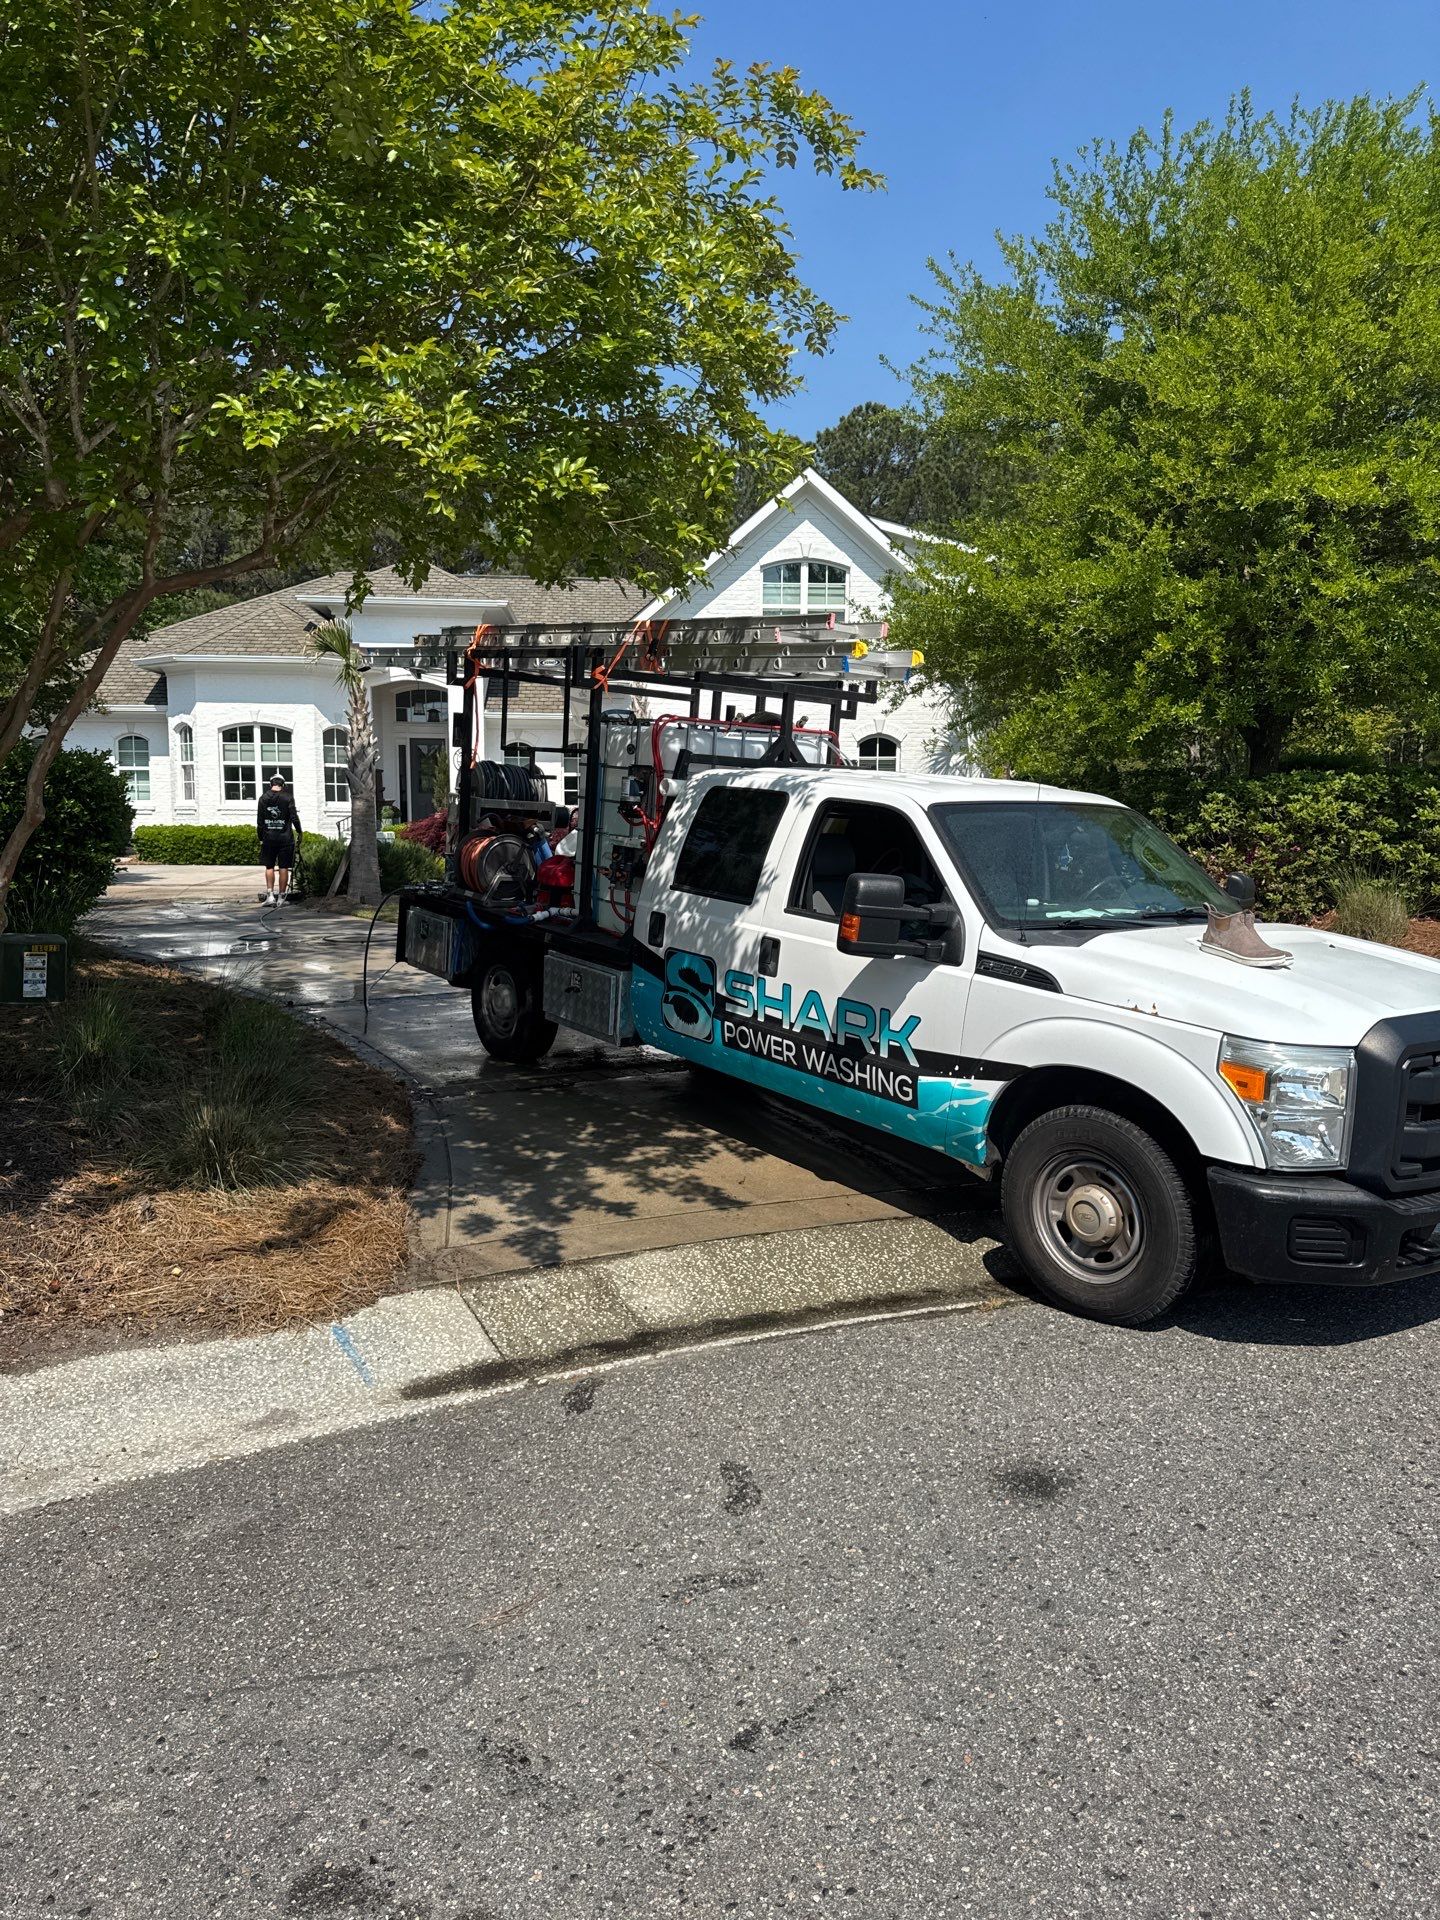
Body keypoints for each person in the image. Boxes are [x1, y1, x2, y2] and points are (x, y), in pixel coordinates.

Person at [256, 774, 302, 904]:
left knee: (269, 866)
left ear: (271, 784)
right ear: (283, 785)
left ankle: (270, 896)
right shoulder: (288, 797)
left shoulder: (263, 798)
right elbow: (294, 817)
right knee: (283, 867)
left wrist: (260, 837)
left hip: (268, 838)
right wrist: (299, 831)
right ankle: (281, 897)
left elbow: (260, 821)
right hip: (285, 838)